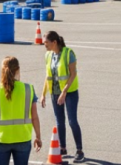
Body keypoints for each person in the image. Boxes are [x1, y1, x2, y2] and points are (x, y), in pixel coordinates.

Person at [41, 31, 84, 163]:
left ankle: (79, 151)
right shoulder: (48, 55)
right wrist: (43, 94)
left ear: (54, 42)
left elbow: (73, 74)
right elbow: (48, 76)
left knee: (72, 121)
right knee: (59, 121)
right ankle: (63, 148)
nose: (44, 45)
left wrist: (64, 91)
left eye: (46, 43)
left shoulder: (68, 53)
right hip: (55, 92)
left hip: (69, 92)